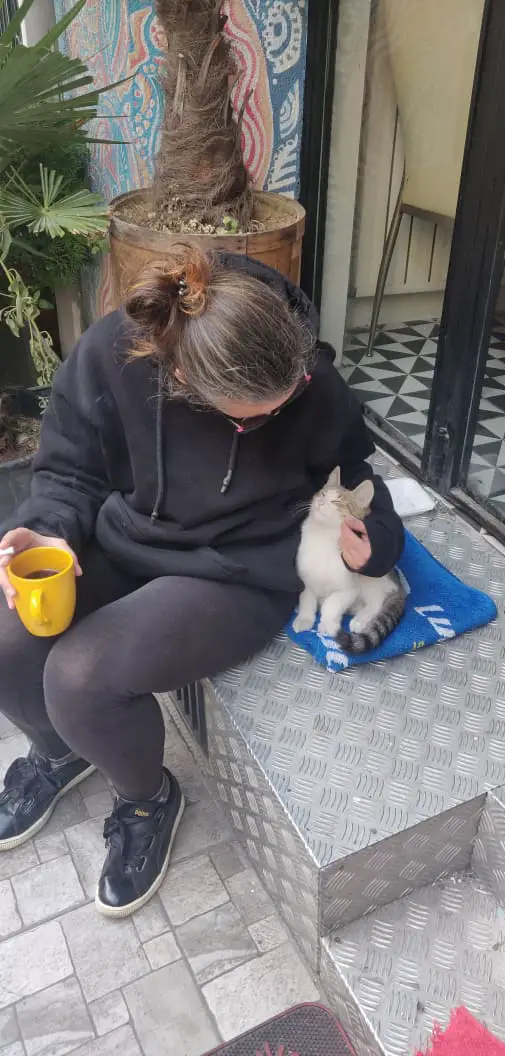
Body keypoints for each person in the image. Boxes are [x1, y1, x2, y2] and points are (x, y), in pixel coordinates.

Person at [0, 246, 404, 916]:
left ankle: (147, 799)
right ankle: (58, 753)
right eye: (248, 417)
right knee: (9, 638)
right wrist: (48, 527)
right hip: (132, 535)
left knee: (81, 677)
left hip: (241, 568)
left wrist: (375, 541)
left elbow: (360, 482)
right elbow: (70, 470)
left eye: (281, 405)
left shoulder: (308, 380)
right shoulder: (113, 354)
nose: (265, 422)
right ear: (181, 374)